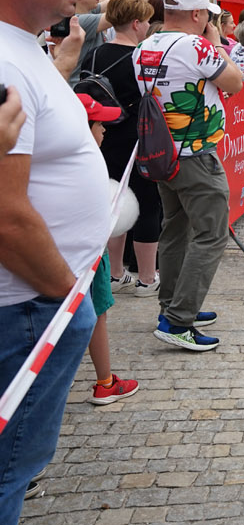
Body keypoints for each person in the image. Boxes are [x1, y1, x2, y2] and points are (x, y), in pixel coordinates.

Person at [0, 0, 107, 525]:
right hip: (28, 304)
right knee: (11, 464)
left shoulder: (27, 49)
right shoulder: (6, 60)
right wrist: (69, 299)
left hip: (38, 300)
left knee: (18, 463)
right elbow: (5, 214)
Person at [134, 0, 244, 351]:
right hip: (195, 151)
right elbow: (235, 82)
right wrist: (216, 43)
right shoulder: (197, 47)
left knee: (176, 228)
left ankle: (172, 306)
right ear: (197, 14)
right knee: (211, 234)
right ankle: (179, 320)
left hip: (162, 152)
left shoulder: (145, 46)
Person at [83, 0, 163, 296]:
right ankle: (147, 278)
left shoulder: (94, 54)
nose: (147, 27)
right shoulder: (142, 58)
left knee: (114, 202)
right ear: (136, 23)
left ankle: (115, 274)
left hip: (102, 134)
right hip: (137, 137)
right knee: (147, 203)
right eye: (146, 21)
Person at [78, 92, 141, 405]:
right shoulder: (87, 164)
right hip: (88, 255)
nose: (104, 129)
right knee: (96, 315)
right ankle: (105, 382)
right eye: (98, 124)